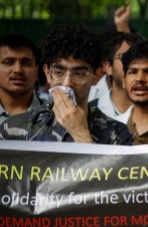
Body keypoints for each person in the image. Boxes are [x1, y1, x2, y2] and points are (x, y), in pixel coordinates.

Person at [0, 24, 132, 144]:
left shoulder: (117, 133)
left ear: (96, 76)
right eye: (59, 72)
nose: (67, 83)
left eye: (79, 74)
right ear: (47, 73)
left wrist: (81, 135)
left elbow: (110, 172)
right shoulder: (13, 128)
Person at [91, 32, 144, 119]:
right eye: (125, 57)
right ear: (108, 67)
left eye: (140, 58)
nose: (134, 64)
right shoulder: (90, 113)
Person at [0, 33, 42, 124]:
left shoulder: (57, 115)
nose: (18, 70)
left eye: (26, 63)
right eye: (8, 62)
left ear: (37, 72)